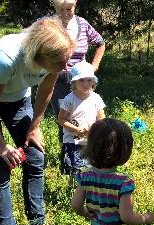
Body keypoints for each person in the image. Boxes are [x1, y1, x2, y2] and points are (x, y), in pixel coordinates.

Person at [0, 17, 75, 225]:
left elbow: (44, 92)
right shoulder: (6, 58)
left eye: (66, 61)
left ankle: (37, 221)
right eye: (60, 63)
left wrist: (34, 127)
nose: (66, 68)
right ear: (38, 56)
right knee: (1, 164)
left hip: (18, 101)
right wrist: (1, 146)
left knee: (35, 156)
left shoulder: (56, 57)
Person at [51, 0, 106, 174]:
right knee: (65, 118)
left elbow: (101, 43)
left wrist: (93, 68)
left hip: (82, 80)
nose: (66, 13)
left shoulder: (82, 24)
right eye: (61, 10)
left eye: (69, 9)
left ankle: (89, 157)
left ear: (75, 6)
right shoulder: (49, 25)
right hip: (57, 81)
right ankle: (68, 161)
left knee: (87, 115)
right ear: (55, 8)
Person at [57, 60, 105, 179]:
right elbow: (61, 119)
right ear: (74, 82)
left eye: (89, 80)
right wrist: (76, 129)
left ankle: (87, 189)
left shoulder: (96, 98)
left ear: (93, 81)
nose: (86, 84)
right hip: (73, 141)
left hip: (90, 139)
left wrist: (94, 130)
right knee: (76, 168)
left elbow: (102, 119)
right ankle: (74, 189)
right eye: (81, 80)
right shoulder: (69, 100)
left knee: (90, 167)